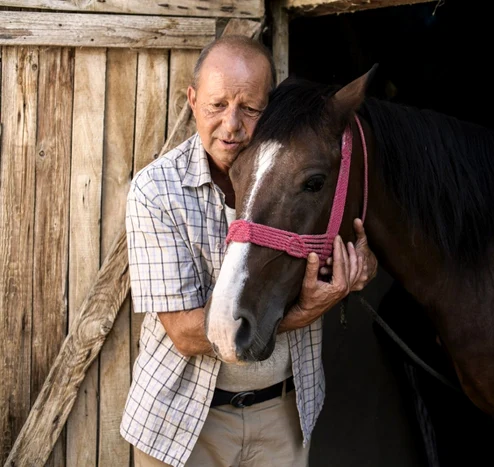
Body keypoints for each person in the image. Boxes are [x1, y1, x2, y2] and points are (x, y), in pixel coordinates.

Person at [120, 34, 378, 467]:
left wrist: (360, 263)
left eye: (251, 108)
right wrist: (307, 312)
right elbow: (184, 333)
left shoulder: (297, 175)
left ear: (272, 109)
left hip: (283, 417)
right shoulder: (155, 191)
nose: (232, 125)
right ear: (192, 99)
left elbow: (326, 236)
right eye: (217, 105)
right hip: (183, 426)